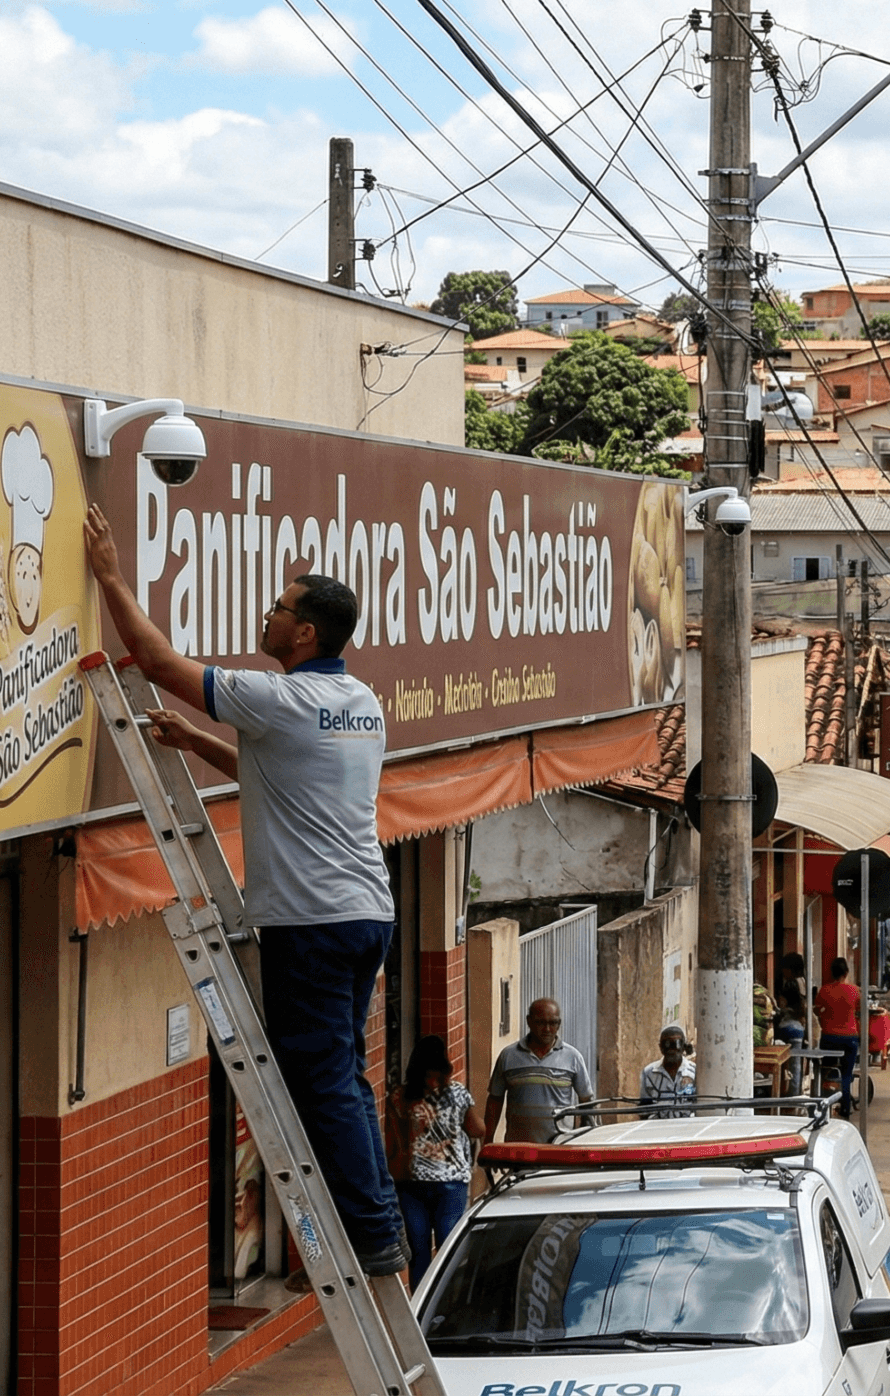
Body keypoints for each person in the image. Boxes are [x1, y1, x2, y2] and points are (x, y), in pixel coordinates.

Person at [82, 506, 409, 1275]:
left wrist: (108, 574)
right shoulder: (358, 703)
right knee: (340, 1073)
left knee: (321, 1077)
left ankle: (371, 1232)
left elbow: (159, 662)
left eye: (279, 607)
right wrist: (200, 743)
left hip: (314, 920)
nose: (268, 613)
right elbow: (289, 785)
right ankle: (376, 1221)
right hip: (366, 910)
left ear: (304, 635)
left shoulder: (281, 699)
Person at [385, 1035, 481, 1286]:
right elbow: (477, 1129)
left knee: (418, 1254)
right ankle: (446, 1306)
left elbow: (392, 1144)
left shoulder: (399, 1096)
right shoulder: (458, 1093)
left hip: (410, 1184)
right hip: (451, 1183)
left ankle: (420, 1311)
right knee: (449, 1250)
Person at [488, 998, 595, 1144]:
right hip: (519, 1150)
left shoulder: (573, 1057)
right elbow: (495, 1100)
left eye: (553, 1023)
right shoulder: (508, 1056)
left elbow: (586, 1102)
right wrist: (487, 1141)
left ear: (559, 1024)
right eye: (540, 1023)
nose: (547, 1029)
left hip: (559, 1148)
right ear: (529, 1021)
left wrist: (584, 1141)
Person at [814, 957, 864, 1107]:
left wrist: (825, 1015)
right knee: (847, 1074)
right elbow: (860, 1010)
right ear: (846, 973)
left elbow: (817, 1010)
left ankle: (826, 1103)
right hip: (850, 1037)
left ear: (832, 973)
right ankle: (846, 1106)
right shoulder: (854, 990)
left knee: (827, 1070)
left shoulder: (824, 990)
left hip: (829, 1037)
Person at [640, 1025, 697, 1116]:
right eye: (666, 1044)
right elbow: (644, 1110)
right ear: (660, 1047)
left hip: (687, 1127)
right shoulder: (648, 1073)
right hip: (657, 1127)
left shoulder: (695, 1072)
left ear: (683, 1047)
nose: (671, 1050)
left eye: (676, 1044)